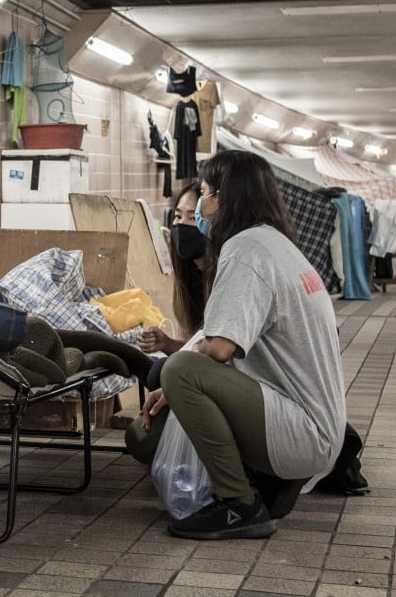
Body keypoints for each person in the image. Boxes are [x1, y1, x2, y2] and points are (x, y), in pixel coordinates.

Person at [126, 150, 346, 541]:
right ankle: (258, 482)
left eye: (206, 195)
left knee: (176, 370)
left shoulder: (245, 249)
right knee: (178, 375)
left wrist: (179, 385)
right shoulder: (275, 244)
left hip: (302, 433)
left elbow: (221, 348)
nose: (201, 210)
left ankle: (239, 504)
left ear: (225, 199)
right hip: (316, 428)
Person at [137, 182, 204, 356]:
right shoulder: (187, 278)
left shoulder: (224, 278)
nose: (181, 225)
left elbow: (214, 353)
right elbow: (189, 346)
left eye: (192, 218)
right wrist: (166, 343)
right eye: (178, 216)